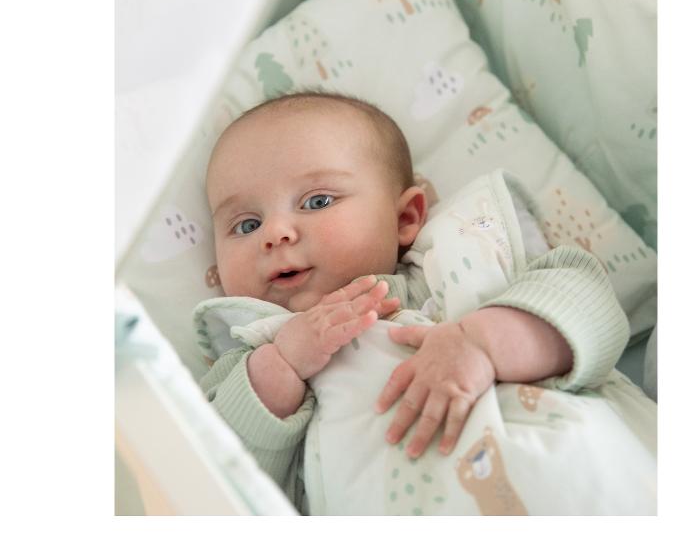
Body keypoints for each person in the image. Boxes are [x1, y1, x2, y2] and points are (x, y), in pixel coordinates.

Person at [199, 91, 629, 511]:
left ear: (404, 218)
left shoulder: (455, 261)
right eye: (246, 224)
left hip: (580, 481)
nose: (276, 233)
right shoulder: (251, 356)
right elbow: (213, 479)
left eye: (317, 201)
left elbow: (590, 301)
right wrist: (281, 366)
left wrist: (483, 342)